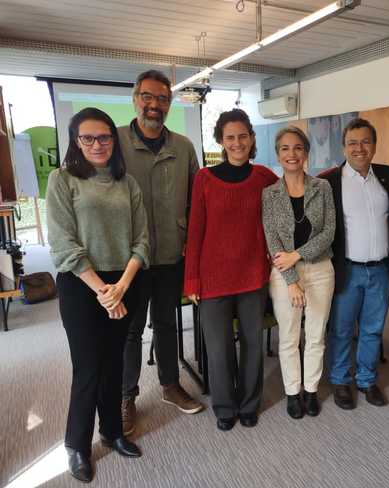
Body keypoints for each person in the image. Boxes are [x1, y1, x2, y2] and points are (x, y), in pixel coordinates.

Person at [47, 107, 149, 482]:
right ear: (76, 141)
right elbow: (63, 244)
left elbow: (142, 241)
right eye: (87, 137)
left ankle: (112, 432)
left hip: (124, 281)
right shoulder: (62, 179)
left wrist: (121, 286)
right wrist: (104, 291)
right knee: (88, 367)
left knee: (113, 364)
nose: (96, 144)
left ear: (113, 140)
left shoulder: (127, 183)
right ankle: (77, 445)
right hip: (81, 284)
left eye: (104, 137)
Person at [118, 70, 203, 436]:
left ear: (169, 104)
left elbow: (197, 200)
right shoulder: (115, 142)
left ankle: (170, 385)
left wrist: (192, 242)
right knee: (130, 330)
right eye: (148, 97)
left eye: (163, 99)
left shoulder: (183, 147)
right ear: (135, 99)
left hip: (171, 254)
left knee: (167, 323)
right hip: (129, 260)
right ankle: (126, 395)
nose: (154, 105)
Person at [184, 108, 278, 431]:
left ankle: (249, 403)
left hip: (252, 274)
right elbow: (195, 231)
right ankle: (225, 407)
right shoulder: (204, 178)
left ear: (251, 138)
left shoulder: (264, 177)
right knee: (219, 347)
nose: (237, 143)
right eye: (230, 138)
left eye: (242, 136)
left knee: (252, 343)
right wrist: (191, 279)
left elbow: (286, 206)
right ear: (221, 142)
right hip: (212, 278)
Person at [320, 118, 389, 409]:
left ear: (374, 145)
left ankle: (366, 379)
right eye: (352, 143)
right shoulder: (330, 182)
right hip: (347, 270)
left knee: (373, 329)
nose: (359, 148)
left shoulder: (388, 176)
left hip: (380, 270)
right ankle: (340, 380)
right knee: (341, 329)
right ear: (344, 147)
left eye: (365, 141)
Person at [262, 126, 336, 419]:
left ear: (306, 153)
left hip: (321, 270)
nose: (291, 154)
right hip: (284, 275)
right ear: (278, 154)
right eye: (285, 148)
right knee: (289, 336)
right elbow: (272, 240)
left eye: (297, 148)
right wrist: (292, 280)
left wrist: (297, 255)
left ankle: (311, 389)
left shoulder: (322, 187)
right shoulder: (269, 194)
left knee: (316, 335)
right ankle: (292, 392)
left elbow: (329, 232)